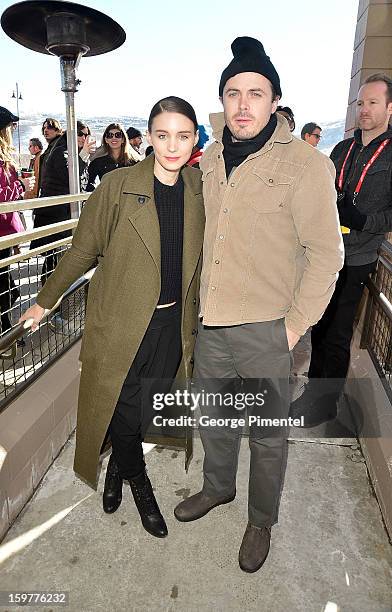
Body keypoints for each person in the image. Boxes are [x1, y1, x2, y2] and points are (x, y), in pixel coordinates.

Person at [173, 36, 344, 573]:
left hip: (269, 330)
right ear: (222, 102)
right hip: (212, 325)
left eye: (255, 93)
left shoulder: (307, 167)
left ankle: (261, 520)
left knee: (268, 437)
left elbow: (326, 255)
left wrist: (291, 330)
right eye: (233, 93)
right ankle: (218, 488)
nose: (243, 105)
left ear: (274, 102)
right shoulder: (212, 160)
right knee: (216, 422)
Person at [20, 96, 205, 539]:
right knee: (122, 403)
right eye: (162, 135)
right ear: (151, 137)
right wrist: (46, 299)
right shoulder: (118, 185)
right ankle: (138, 481)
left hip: (173, 324)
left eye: (183, 136)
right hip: (121, 321)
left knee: (145, 405)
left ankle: (118, 467)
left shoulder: (201, 188)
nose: (172, 145)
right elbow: (83, 249)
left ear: (195, 138)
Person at [291, 73, 392, 427]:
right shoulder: (343, 149)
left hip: (359, 256)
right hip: (326, 252)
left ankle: (325, 403)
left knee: (337, 332)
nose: (364, 110)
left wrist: (364, 219)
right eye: (361, 103)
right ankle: (316, 391)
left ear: (389, 108)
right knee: (318, 323)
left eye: (373, 103)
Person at [31, 120, 94, 288]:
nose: (83, 137)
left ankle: (53, 300)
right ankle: (51, 302)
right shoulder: (62, 152)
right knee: (56, 261)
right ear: (70, 134)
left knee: (57, 260)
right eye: (80, 134)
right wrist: (83, 156)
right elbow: (71, 177)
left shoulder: (70, 152)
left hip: (64, 214)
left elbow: (82, 182)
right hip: (56, 216)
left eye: (86, 134)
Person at [0, 107, 34, 343]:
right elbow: (3, 196)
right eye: (10, 127)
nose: (13, 131)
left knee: (7, 290)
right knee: (7, 292)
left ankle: (6, 333)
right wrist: (21, 185)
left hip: (4, 234)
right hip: (1, 233)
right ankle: (6, 336)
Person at [86, 123, 135, 191]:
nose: (114, 138)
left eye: (118, 135)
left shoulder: (134, 162)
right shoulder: (98, 162)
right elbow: (89, 183)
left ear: (123, 139)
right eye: (110, 135)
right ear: (106, 140)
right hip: (107, 199)